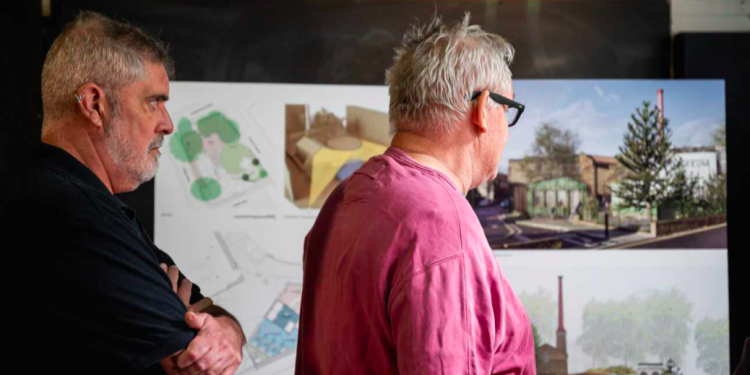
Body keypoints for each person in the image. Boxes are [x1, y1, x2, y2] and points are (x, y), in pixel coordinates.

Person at [295, 14, 536, 374]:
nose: (508, 131)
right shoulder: (441, 224)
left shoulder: (346, 197)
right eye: (508, 109)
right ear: (482, 109)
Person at [6, 12, 243, 375]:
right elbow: (195, 364)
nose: (167, 123)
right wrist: (186, 327)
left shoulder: (90, 205)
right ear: (94, 105)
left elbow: (206, 316)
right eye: (153, 102)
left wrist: (227, 329)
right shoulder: (69, 212)